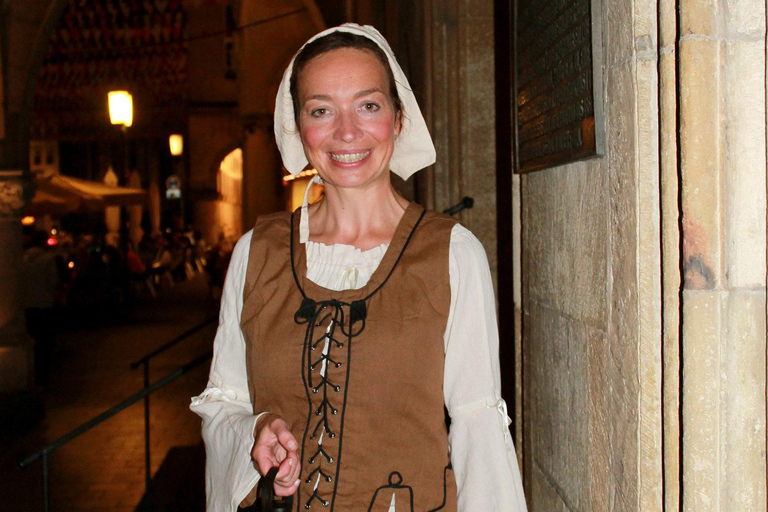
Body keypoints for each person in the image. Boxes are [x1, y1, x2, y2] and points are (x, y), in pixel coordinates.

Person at [191, 23, 527, 512]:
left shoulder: (453, 254)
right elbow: (224, 403)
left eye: (368, 105)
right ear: (298, 128)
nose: (346, 132)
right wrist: (256, 430)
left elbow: (478, 428)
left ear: (398, 117)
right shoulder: (255, 252)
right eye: (321, 110)